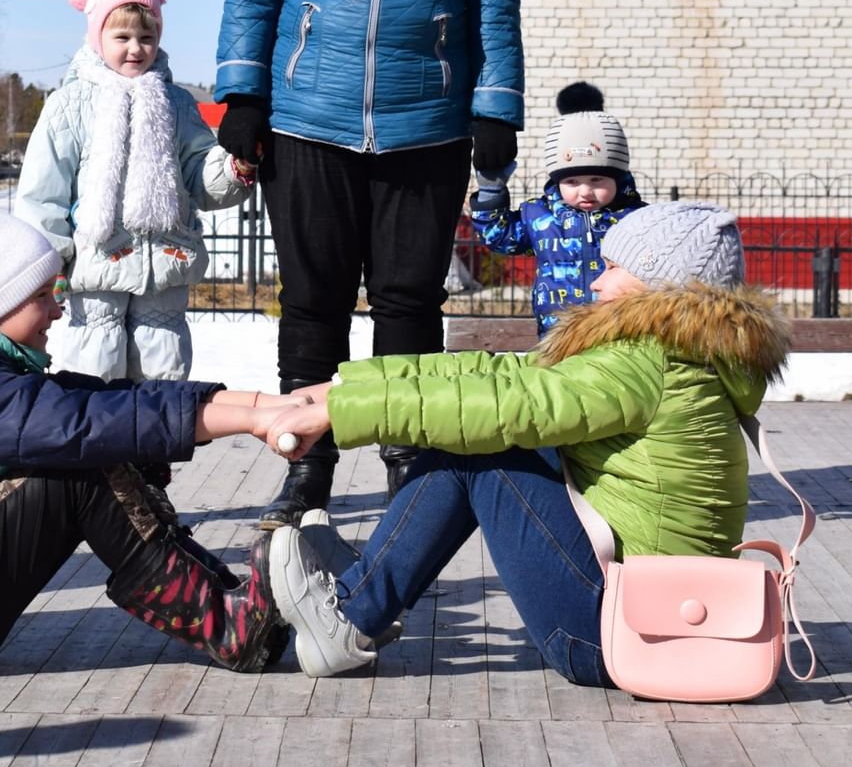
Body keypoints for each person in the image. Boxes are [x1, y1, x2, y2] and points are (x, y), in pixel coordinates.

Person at [213, 0, 524, 526]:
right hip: (308, 117)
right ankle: (305, 466)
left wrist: (495, 105)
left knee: (409, 302)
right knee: (312, 299)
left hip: (427, 121)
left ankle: (409, 463)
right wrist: (245, 94)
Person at [260, 202, 787, 680]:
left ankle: (351, 612)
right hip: (648, 621)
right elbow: (498, 376)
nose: (596, 284)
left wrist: (336, 414)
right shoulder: (682, 359)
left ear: (659, 284)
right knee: (485, 437)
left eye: (612, 269)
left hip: (612, 637)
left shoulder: (645, 362)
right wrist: (344, 388)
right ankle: (362, 591)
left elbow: (503, 407)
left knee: (478, 449)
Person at [0, 206, 295, 676]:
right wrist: (251, 419)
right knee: (83, 467)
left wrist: (262, 406)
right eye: (44, 293)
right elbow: (86, 423)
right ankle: (229, 627)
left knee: (105, 443)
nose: (58, 308)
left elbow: (117, 401)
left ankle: (226, 598)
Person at [15, 0, 252, 386]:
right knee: (94, 363)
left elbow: (198, 172)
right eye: (121, 36)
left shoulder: (176, 104)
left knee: (163, 365)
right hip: (95, 264)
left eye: (147, 36)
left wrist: (233, 169)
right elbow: (43, 192)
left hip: (164, 262)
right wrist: (49, 262)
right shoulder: (70, 105)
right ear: (97, 38)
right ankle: (96, 446)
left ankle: (152, 448)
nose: (135, 48)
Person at [469, 82, 645, 335]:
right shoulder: (539, 216)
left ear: (617, 179)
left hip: (621, 330)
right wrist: (491, 192)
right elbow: (500, 237)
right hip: (558, 334)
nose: (585, 191)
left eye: (597, 180)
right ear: (557, 181)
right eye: (572, 182)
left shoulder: (637, 218)